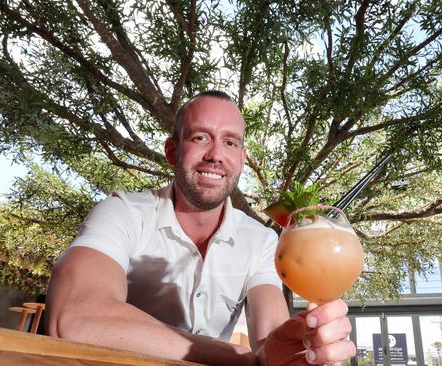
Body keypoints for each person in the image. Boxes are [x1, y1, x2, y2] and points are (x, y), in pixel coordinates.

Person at [45, 90, 356, 365]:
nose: (215, 155)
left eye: (230, 142)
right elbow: (74, 319)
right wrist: (239, 358)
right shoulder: (123, 212)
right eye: (200, 137)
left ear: (242, 159)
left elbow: (270, 339)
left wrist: (296, 349)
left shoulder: (261, 241)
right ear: (172, 151)